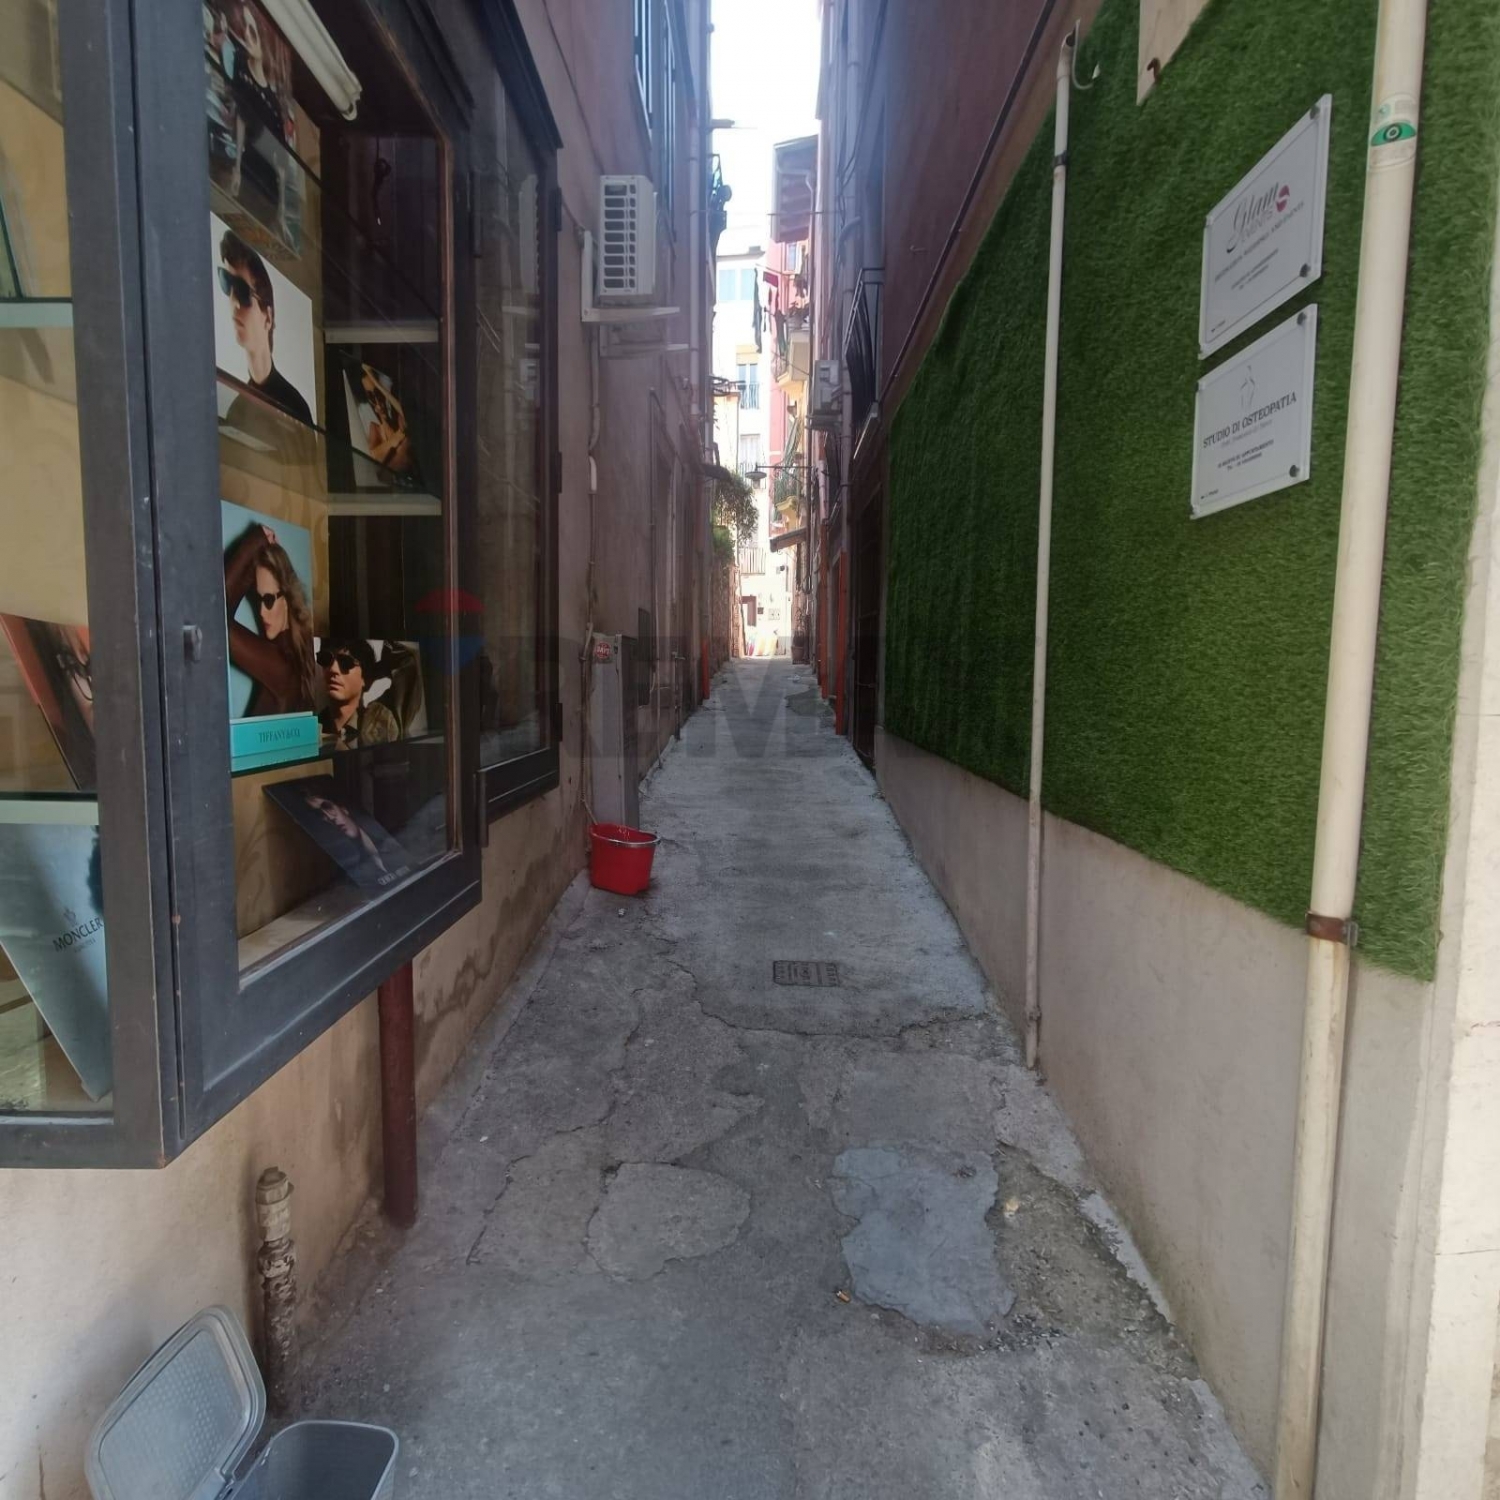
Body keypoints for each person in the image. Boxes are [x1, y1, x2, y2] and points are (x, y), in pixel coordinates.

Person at [218, 228, 312, 425]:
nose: (233, 302)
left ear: (267, 318)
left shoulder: (296, 407)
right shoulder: (236, 412)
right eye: (227, 283)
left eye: (242, 291)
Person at [223, 522, 316, 716]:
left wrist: (253, 542)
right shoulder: (299, 655)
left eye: (268, 600)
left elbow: (212, 619)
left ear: (288, 599)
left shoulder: (281, 666)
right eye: (258, 600)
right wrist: (256, 552)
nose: (261, 613)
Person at [302, 790, 408, 889]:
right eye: (320, 814)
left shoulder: (392, 846)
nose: (330, 817)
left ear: (343, 809)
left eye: (328, 807)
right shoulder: (357, 870)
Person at [318, 639, 401, 750]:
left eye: (346, 663)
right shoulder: (314, 724)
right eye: (325, 659)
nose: (333, 669)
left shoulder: (382, 722)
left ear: (365, 678)